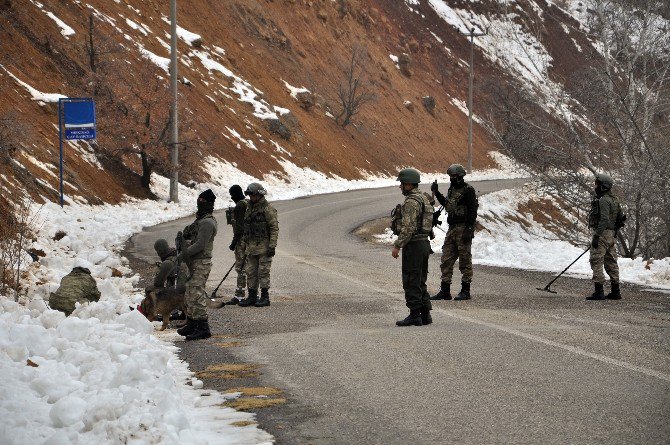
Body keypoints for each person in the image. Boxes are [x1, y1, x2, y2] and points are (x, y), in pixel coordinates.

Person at [391, 168, 434, 326]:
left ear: (408, 184)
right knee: (420, 279)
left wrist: (397, 245)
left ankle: (415, 315)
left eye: (402, 183)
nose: (400, 186)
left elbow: (408, 228)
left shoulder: (411, 202)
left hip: (414, 245)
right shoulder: (423, 198)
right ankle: (425, 314)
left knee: (411, 279)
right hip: (424, 244)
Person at [430, 164, 478, 301]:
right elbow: (448, 205)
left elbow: (472, 211)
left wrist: (469, 229)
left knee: (464, 260)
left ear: (461, 177)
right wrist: (437, 192)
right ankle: (445, 290)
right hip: (452, 228)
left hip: (463, 228)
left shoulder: (468, 190)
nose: (452, 179)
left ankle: (465, 290)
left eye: (454, 177)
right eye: (450, 177)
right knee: (446, 259)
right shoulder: (452, 189)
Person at [176, 189, 218, 340]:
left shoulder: (207, 222)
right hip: (194, 262)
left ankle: (203, 327)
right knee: (190, 294)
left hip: (201, 262)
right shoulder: (200, 220)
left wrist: (182, 254)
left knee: (197, 294)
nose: (200, 204)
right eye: (199, 201)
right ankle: (193, 323)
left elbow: (200, 245)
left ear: (209, 204)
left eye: (203, 202)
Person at [238, 183, 279, 308]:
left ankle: (265, 297)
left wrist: (272, 246)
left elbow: (274, 228)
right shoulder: (249, 208)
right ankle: (252, 296)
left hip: (264, 247)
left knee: (263, 272)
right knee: (250, 272)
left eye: (253, 195)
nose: (251, 197)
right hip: (251, 246)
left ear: (259, 195)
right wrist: (244, 245)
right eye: (250, 195)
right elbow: (247, 227)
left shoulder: (268, 209)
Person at [586, 173, 623, 300]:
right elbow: (620, 218)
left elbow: (604, 219)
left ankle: (599, 291)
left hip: (602, 234)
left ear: (603, 186)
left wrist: (597, 236)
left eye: (597, 184)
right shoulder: (615, 199)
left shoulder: (604, 200)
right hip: (611, 235)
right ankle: (615, 291)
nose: (595, 186)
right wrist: (613, 233)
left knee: (596, 260)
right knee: (611, 261)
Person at [225, 185, 249, 305]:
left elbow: (239, 228)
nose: (231, 197)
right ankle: (252, 294)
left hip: (242, 241)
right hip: (250, 240)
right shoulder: (248, 203)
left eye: (232, 194)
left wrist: (233, 243)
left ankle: (240, 295)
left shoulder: (240, 205)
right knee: (248, 267)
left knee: (241, 268)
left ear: (235, 194)